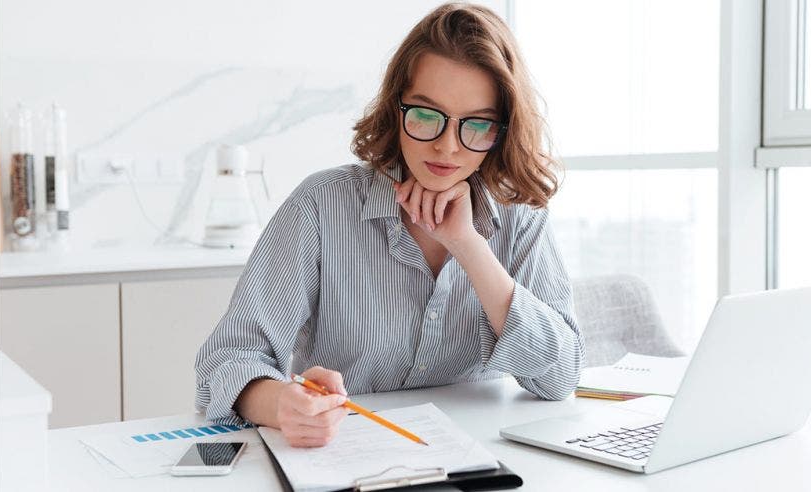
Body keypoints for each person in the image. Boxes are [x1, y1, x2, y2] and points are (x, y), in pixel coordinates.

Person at [195, 2, 585, 448]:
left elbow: (561, 376)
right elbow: (224, 363)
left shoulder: (519, 215)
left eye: (476, 125)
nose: (447, 147)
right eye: (425, 115)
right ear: (395, 108)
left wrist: (468, 246)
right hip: (344, 459)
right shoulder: (322, 205)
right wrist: (283, 403)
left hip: (480, 461)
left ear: (503, 128)